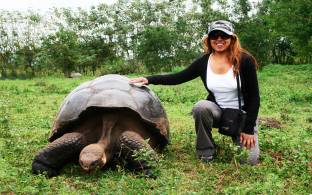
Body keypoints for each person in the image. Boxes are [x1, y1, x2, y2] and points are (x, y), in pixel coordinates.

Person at [130, 20, 260, 165]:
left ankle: (241, 135)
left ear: (232, 38)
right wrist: (148, 79)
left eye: (223, 36)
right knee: (201, 107)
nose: (219, 39)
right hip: (218, 112)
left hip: (241, 115)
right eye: (214, 36)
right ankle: (206, 151)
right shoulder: (204, 62)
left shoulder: (245, 60)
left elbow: (255, 97)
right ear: (208, 40)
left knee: (249, 161)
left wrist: (248, 129)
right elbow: (178, 77)